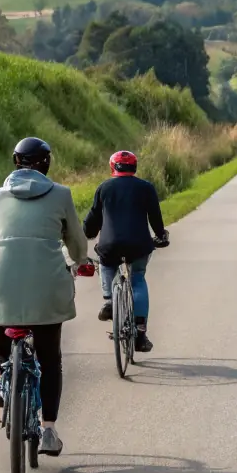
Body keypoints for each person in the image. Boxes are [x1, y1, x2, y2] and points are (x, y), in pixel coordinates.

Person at [0, 136, 88, 457]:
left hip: (1, 283)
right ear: (47, 163)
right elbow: (77, 243)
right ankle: (49, 429)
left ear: (15, 162)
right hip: (48, 288)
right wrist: (80, 261)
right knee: (49, 359)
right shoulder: (61, 195)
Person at [83, 150, 168, 353]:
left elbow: (93, 218)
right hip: (139, 245)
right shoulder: (146, 188)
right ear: (134, 167)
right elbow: (155, 217)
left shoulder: (104, 188)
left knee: (106, 264)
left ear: (113, 167)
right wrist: (161, 235)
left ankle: (108, 300)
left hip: (110, 245)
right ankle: (140, 333)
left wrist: (89, 232)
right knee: (137, 279)